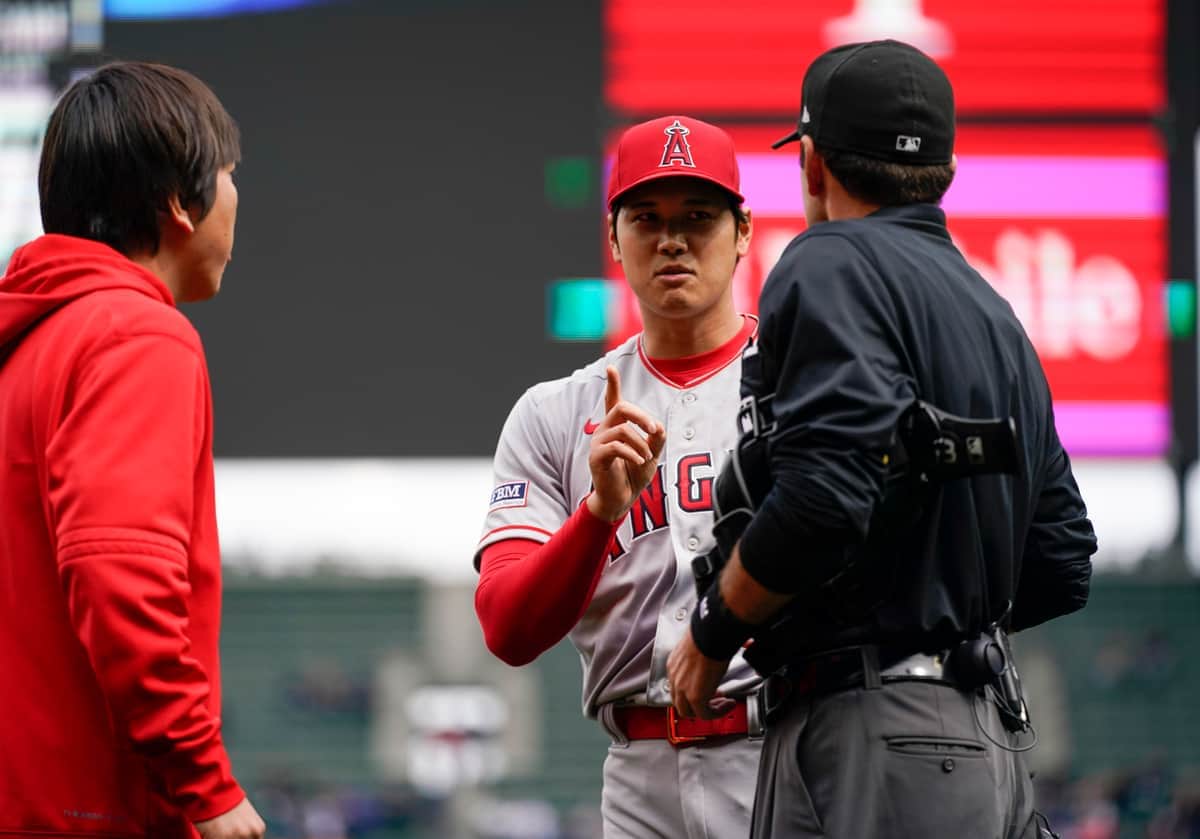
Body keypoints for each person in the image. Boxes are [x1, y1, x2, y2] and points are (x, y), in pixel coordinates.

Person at [667, 40, 1098, 838]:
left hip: (876, 735)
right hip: (986, 742)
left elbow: (825, 500)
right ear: (944, 169)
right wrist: (935, 615)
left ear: (814, 165)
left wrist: (713, 630)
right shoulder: (995, 313)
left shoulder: (828, 259)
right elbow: (1064, 559)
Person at [474, 115, 764, 837]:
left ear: (743, 230)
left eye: (698, 216)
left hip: (784, 750)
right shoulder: (555, 412)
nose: (672, 239)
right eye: (647, 218)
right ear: (612, 237)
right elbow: (507, 627)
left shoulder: (801, 383)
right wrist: (598, 512)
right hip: (639, 769)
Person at [0, 63, 265, 839]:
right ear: (182, 205)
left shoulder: (28, 345)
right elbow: (118, 572)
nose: (238, 197)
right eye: (228, 174)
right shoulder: (135, 333)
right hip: (94, 812)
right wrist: (206, 786)